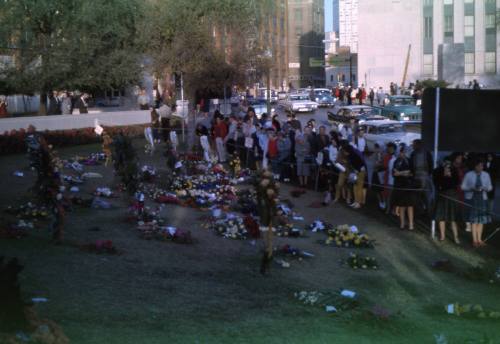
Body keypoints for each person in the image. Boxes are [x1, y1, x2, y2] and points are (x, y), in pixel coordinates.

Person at [461, 159, 492, 247]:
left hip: (482, 199)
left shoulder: (486, 175)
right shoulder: (469, 174)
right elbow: (463, 187)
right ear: (475, 166)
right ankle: (474, 240)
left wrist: (486, 188)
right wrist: (471, 188)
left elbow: (490, 187)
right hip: (472, 199)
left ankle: (480, 239)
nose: (480, 167)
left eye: (482, 166)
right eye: (479, 166)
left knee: (481, 220)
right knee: (474, 220)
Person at [433, 159, 461, 244]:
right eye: (445, 163)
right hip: (442, 195)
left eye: (448, 164)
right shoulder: (438, 171)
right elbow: (436, 183)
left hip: (452, 195)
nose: (447, 165)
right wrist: (443, 176)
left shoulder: (454, 171)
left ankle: (456, 237)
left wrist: (450, 176)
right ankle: (442, 236)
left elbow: (457, 182)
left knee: (452, 218)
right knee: (441, 217)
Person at [392, 145, 416, 230]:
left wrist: (400, 173)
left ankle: (411, 224)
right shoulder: (396, 161)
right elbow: (394, 174)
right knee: (401, 206)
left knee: (410, 206)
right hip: (400, 186)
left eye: (405, 152)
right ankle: (402, 224)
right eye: (402, 152)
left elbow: (412, 173)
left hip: (409, 186)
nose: (403, 154)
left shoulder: (410, 161)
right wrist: (404, 173)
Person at [409, 139, 434, 212]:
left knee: (426, 195)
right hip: (417, 176)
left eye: (414, 144)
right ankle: (420, 210)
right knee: (417, 196)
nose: (413, 146)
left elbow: (430, 164)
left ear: (418, 145)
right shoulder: (413, 154)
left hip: (424, 176)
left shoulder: (426, 153)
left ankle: (428, 211)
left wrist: (428, 174)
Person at [342, 143, 367, 209]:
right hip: (355, 171)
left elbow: (362, 162)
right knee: (355, 187)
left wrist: (358, 170)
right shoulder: (350, 155)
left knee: (359, 187)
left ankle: (359, 203)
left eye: (344, 151)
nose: (344, 153)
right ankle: (356, 201)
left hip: (361, 171)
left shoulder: (355, 154)